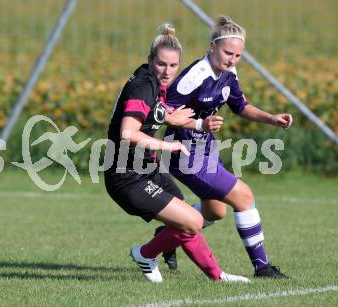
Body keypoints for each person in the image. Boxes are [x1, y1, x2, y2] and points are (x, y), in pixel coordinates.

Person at [104, 23, 249, 283]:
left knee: (185, 221)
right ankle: (144, 254)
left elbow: (159, 115)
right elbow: (128, 133)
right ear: (150, 61)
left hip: (147, 169)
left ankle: (217, 276)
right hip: (126, 177)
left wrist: (196, 124)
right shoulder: (144, 85)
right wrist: (168, 145)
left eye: (173, 66)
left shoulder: (156, 83)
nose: (167, 71)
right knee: (193, 220)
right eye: (161, 64)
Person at [161, 16, 293, 278]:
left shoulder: (229, 73)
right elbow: (165, 111)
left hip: (205, 150)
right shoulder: (194, 77)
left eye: (238, 55)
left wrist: (271, 118)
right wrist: (199, 124)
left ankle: (166, 237)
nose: (232, 59)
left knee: (215, 211)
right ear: (212, 47)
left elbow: (240, 106)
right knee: (243, 196)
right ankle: (262, 267)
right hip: (183, 152)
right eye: (228, 53)